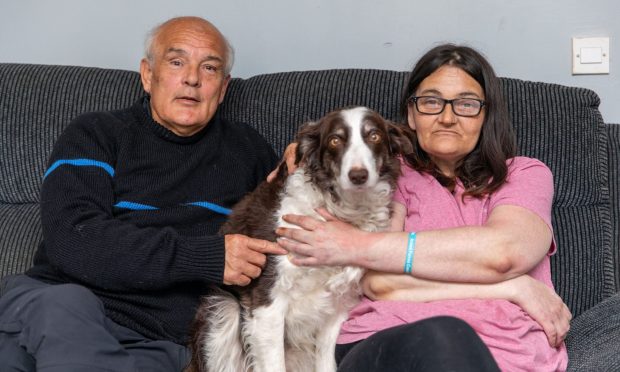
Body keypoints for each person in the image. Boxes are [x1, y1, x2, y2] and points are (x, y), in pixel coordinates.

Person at [0, 16, 287, 371]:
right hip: (64, 306)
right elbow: (73, 240)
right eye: (177, 61)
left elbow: (293, 233)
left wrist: (302, 168)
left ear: (223, 88)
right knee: (62, 308)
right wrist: (208, 257)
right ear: (148, 75)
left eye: (209, 67)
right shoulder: (96, 133)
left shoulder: (248, 150)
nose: (192, 79)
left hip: (162, 340)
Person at [276, 44, 571, 371]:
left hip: (512, 352)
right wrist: (513, 287)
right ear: (412, 115)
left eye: (466, 104)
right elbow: (379, 283)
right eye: (431, 102)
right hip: (388, 342)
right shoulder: (384, 177)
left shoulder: (524, 174)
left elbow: (505, 253)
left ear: (486, 115)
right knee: (443, 333)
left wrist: (357, 245)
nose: (447, 117)